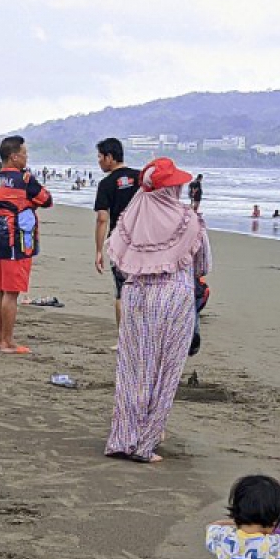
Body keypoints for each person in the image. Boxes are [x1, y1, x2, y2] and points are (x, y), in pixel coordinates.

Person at [104, 157, 209, 463]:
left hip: (135, 295)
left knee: (132, 368)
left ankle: (123, 438)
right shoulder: (189, 220)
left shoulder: (129, 219)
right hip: (174, 298)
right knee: (165, 372)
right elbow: (203, 265)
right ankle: (145, 443)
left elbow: (119, 261)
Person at [0, 136, 53, 354]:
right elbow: (46, 199)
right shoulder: (24, 179)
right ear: (14, 156)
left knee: (2, 290)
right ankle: (7, 342)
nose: (27, 157)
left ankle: (0, 338)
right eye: (24, 153)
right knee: (12, 292)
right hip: (17, 240)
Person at [92, 137, 141, 329]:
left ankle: (123, 339)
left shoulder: (106, 184)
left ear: (109, 157)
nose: (99, 161)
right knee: (141, 287)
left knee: (122, 290)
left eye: (100, 157)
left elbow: (102, 219)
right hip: (144, 241)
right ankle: (140, 334)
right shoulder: (140, 178)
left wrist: (98, 250)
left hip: (119, 242)